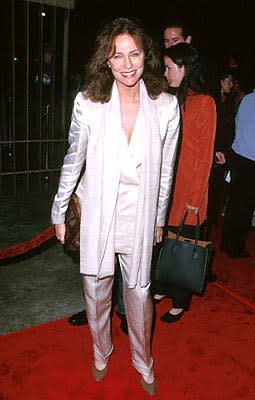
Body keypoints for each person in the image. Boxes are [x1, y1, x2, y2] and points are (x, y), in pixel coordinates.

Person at [51, 17, 180, 395]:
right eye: (117, 55)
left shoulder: (167, 106)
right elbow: (73, 159)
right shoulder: (89, 102)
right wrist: (60, 210)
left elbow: (166, 171)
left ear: (146, 56)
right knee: (96, 286)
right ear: (106, 61)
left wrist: (158, 218)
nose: (127, 64)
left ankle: (143, 361)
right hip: (98, 209)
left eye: (134, 54)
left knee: (139, 292)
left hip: (139, 213)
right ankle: (101, 351)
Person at [153, 43, 216, 323]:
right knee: (167, 239)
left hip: (191, 187)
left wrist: (195, 197)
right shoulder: (172, 99)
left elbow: (204, 157)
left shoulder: (205, 102)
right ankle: (163, 285)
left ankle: (180, 300)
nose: (165, 73)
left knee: (185, 243)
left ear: (184, 67)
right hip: (169, 184)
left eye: (169, 67)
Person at [220, 86, 255, 258]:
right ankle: (236, 247)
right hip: (252, 160)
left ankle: (226, 243)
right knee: (245, 207)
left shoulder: (246, 99)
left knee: (234, 202)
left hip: (238, 157)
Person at [205, 68, 236, 240]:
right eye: (228, 81)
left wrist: (226, 151)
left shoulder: (230, 103)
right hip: (210, 150)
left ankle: (210, 221)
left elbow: (229, 130)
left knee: (216, 189)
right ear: (220, 81)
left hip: (222, 152)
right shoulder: (211, 101)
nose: (231, 85)